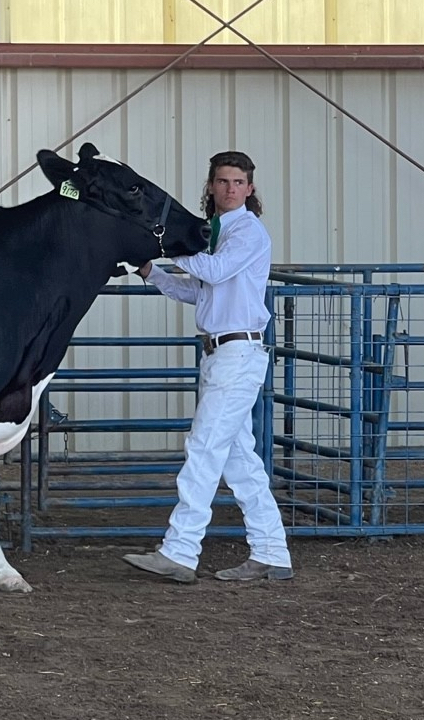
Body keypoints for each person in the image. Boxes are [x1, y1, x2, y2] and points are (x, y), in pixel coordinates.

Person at [122, 150, 293, 582]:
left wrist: (164, 243)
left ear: (250, 189)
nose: (230, 189)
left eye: (238, 183)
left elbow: (214, 273)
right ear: (211, 186)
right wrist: (151, 271)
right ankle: (271, 550)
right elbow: (199, 293)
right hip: (222, 353)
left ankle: (180, 549)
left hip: (237, 353)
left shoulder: (247, 233)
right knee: (240, 461)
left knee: (203, 448)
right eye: (222, 181)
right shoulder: (217, 233)